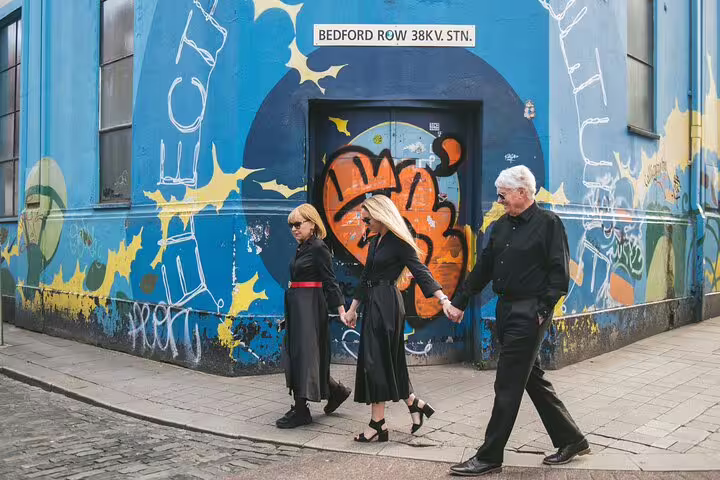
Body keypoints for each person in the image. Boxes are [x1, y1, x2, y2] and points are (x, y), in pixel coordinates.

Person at [444, 165, 589, 476]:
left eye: (504, 194)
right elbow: (482, 268)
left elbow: (559, 274)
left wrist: (541, 310)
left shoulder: (549, 223)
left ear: (523, 192)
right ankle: (572, 439)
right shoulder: (500, 226)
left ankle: (489, 456)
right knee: (530, 377)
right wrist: (460, 303)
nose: (500, 200)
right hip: (505, 308)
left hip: (530, 312)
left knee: (507, 383)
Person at [344, 195, 455, 442]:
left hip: (387, 303)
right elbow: (365, 279)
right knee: (388, 360)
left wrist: (443, 300)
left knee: (376, 361)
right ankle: (414, 404)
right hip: (374, 302)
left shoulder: (399, 243)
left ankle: (378, 424)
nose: (365, 223)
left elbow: (421, 272)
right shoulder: (375, 242)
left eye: (368, 218)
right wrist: (352, 309)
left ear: (381, 215)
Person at [276, 203, 352, 429]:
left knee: (304, 356)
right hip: (299, 305)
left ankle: (301, 410)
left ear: (312, 223)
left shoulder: (319, 247)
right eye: (291, 225)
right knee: (301, 354)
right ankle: (336, 392)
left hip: (309, 306)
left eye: (298, 224)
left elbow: (330, 281)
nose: (294, 229)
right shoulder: (303, 247)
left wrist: (341, 310)